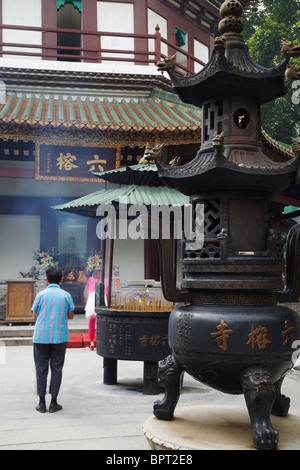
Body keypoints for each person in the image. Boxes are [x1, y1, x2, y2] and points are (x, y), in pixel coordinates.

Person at [31, 265, 75, 413]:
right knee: (57, 368)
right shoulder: (66, 295)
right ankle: (54, 402)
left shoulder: (40, 295)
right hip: (59, 337)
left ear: (47, 279)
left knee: (41, 369)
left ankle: (41, 402)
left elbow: (34, 316)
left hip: (41, 337)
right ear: (62, 278)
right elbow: (70, 316)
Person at [84, 269, 101, 351]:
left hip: (91, 299)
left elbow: (86, 292)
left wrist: (87, 301)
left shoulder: (90, 279)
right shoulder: (104, 280)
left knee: (92, 323)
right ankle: (99, 341)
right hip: (100, 298)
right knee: (101, 323)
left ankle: (92, 342)